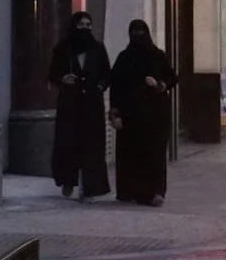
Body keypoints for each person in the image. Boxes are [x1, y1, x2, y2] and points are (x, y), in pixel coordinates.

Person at [108, 19, 177, 206]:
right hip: (130, 116)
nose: (138, 37)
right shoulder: (124, 58)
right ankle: (130, 191)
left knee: (154, 154)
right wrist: (115, 114)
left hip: (156, 116)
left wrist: (159, 84)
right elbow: (115, 86)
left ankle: (154, 192)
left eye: (141, 33)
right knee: (130, 153)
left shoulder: (158, 56)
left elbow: (172, 77)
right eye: (134, 33)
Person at [49, 12, 111, 201]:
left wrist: (100, 86)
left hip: (92, 104)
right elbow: (52, 73)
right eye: (81, 24)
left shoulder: (98, 49)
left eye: (88, 24)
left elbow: (107, 73)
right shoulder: (63, 48)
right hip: (70, 104)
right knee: (69, 142)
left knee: (92, 145)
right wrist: (63, 79)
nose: (85, 28)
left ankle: (91, 187)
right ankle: (68, 180)